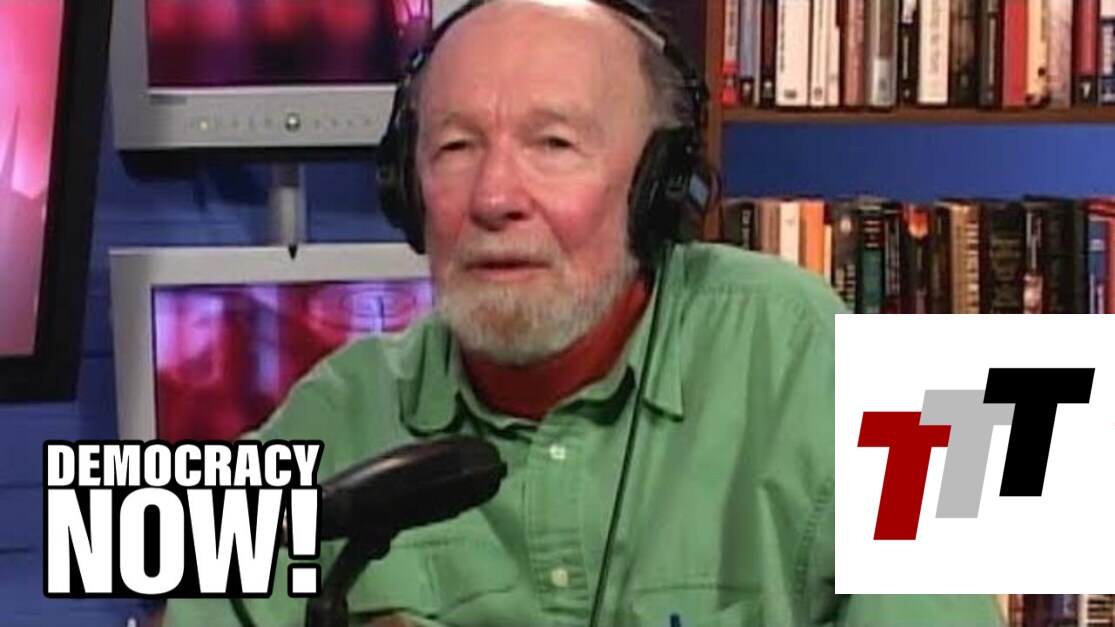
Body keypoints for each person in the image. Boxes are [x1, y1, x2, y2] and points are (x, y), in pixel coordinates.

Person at [162, 1, 1003, 625]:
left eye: (553, 144)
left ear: (657, 189)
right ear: (406, 191)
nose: (493, 196)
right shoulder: (334, 411)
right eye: (455, 147)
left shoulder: (823, 352)